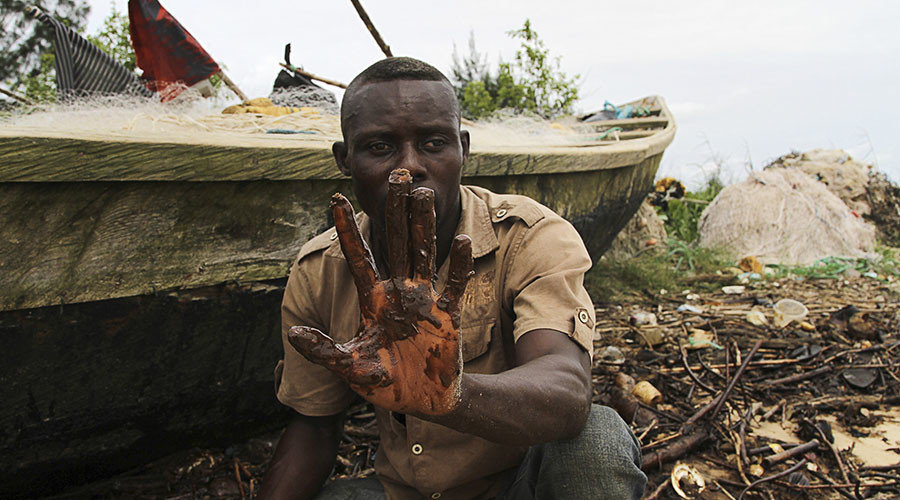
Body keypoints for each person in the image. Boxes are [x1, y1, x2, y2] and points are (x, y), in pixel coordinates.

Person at [258, 57, 645, 500]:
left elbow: (566, 387)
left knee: (597, 437)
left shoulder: (529, 238)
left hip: (519, 487)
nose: (409, 167)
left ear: (463, 149)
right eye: (380, 147)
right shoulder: (320, 271)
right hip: (406, 492)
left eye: (433, 143)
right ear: (345, 160)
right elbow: (314, 426)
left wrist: (450, 395)